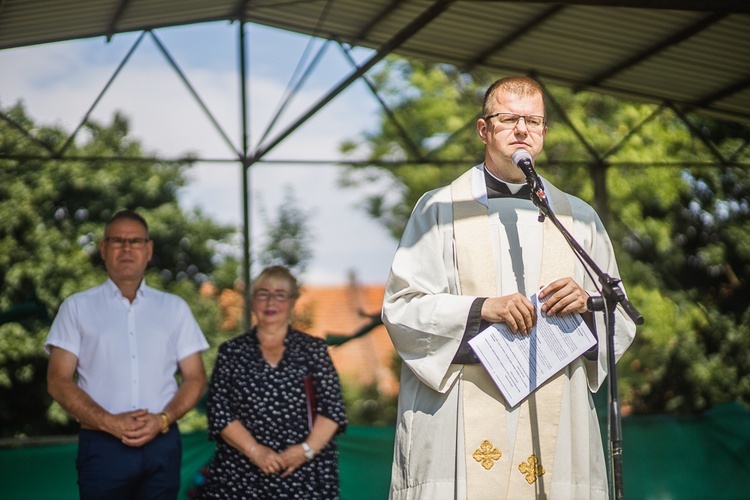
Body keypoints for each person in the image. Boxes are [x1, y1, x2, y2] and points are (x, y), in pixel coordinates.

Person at [382, 76, 637, 499]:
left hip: (555, 405)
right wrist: (481, 308)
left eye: (533, 121)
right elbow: (402, 308)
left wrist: (589, 305)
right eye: (509, 119)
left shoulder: (578, 218)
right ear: (484, 130)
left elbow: (620, 315)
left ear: (543, 133)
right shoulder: (440, 209)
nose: (522, 129)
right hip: (464, 404)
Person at [45, 209, 209, 499]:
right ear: (104, 249)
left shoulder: (175, 308)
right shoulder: (76, 307)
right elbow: (58, 380)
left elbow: (195, 378)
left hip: (162, 443)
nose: (126, 248)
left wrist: (162, 419)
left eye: (135, 241)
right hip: (101, 443)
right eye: (117, 241)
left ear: (148, 250)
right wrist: (109, 422)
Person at [200, 265, 348, 499]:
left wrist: (305, 451)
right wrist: (256, 451)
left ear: (292, 301)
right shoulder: (231, 351)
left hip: (306, 473)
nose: (271, 302)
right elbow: (219, 411)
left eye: (280, 295)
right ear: (252, 300)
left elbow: (333, 409)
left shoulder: (314, 350)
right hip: (239, 474)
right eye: (263, 293)